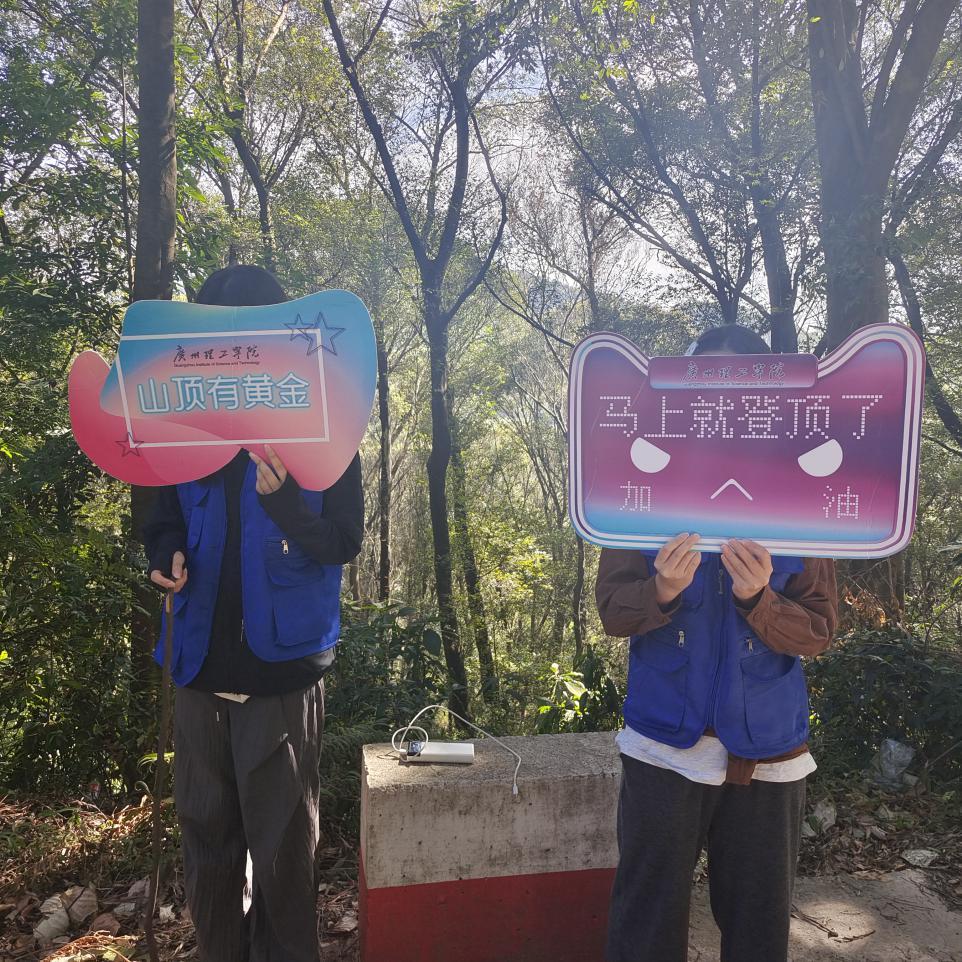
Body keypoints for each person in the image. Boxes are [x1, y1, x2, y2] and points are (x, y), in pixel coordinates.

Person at [141, 264, 364, 962]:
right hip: (198, 660)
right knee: (205, 838)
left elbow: (344, 540)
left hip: (281, 672)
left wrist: (288, 505)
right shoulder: (178, 415)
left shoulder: (324, 421)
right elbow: (158, 513)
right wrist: (164, 552)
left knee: (283, 850)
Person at [598, 324, 838, 962]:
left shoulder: (802, 494)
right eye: (702, 387)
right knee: (645, 918)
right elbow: (613, 611)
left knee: (758, 923)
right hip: (662, 745)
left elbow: (819, 630)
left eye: (737, 389)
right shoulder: (638, 486)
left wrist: (760, 600)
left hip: (768, 750)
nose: (719, 403)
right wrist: (662, 591)